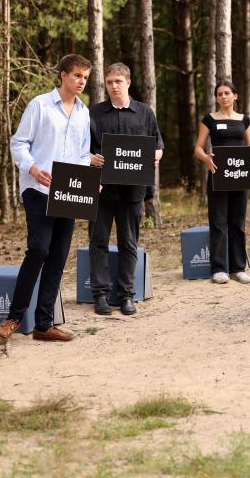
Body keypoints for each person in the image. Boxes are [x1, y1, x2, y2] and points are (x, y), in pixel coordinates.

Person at [0, 54, 93, 342]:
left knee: (58, 257)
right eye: (77, 75)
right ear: (63, 75)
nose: (81, 81)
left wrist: (89, 183)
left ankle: (44, 325)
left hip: (69, 193)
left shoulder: (84, 112)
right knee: (39, 249)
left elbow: (84, 154)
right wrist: (34, 169)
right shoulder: (39, 105)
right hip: (37, 189)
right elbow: (19, 143)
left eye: (85, 77)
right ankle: (13, 318)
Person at [88, 63, 163, 316]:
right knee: (98, 242)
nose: (113, 86)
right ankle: (100, 295)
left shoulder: (144, 112)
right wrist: (90, 157)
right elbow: (81, 147)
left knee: (128, 242)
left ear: (128, 82)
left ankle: (127, 295)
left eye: (118, 81)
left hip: (133, 191)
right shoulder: (94, 113)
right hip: (100, 190)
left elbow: (158, 144)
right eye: (109, 82)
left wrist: (157, 155)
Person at [194, 80, 250, 285]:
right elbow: (198, 149)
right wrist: (207, 159)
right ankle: (219, 269)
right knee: (219, 222)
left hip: (240, 176)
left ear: (235, 96)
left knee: (238, 222)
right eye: (219, 94)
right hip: (218, 175)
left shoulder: (244, 120)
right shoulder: (209, 119)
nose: (223, 97)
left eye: (227, 93)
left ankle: (238, 268)